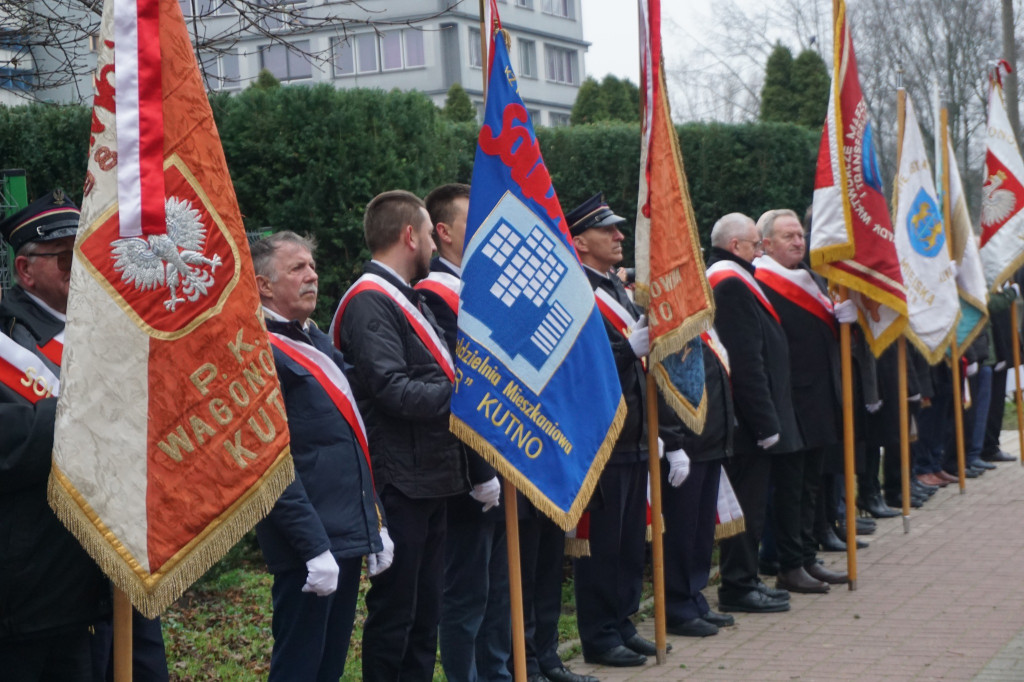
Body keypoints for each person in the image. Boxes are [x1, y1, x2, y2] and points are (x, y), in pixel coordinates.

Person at [331, 189, 469, 682]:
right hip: (399, 479)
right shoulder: (372, 301)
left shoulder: (405, 296)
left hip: (430, 474)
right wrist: (459, 394)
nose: (435, 244)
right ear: (411, 236)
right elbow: (392, 389)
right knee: (396, 615)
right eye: (431, 234)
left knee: (424, 613)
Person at [252, 231, 392, 681]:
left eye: (312, 266)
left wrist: (376, 523)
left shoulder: (315, 340)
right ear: (263, 285)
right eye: (297, 268)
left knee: (328, 668)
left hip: (344, 534)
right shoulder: (256, 351)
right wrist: (312, 547)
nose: (312, 276)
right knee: (299, 668)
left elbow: (350, 439)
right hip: (307, 544)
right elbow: (268, 462)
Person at [566, 193, 685, 667]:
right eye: (607, 230)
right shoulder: (575, 292)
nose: (619, 236)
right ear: (579, 241)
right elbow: (575, 367)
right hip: (601, 441)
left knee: (630, 540)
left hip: (635, 435)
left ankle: (622, 622)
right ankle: (598, 635)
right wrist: (623, 350)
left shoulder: (616, 288)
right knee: (602, 546)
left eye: (618, 229)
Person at [0, 191, 112, 681]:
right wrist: (88, 415)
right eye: (67, 258)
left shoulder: (109, 329)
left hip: (107, 579)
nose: (82, 267)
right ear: (26, 272)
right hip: (28, 595)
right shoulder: (9, 337)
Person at [418, 183, 511, 682]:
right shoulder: (433, 294)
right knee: (467, 592)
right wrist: (480, 469)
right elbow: (461, 387)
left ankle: (496, 673)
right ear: (444, 232)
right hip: (467, 468)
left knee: (498, 587)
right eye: (471, 221)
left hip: (504, 455)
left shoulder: (476, 287)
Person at [705, 212, 801, 614]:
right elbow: (745, 361)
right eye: (756, 244)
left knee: (752, 505)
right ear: (735, 246)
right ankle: (738, 585)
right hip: (747, 425)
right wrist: (765, 423)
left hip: (751, 421)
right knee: (745, 505)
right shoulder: (729, 284)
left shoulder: (739, 280)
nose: (761, 251)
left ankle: (745, 581)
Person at [753, 209, 851, 592]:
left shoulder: (810, 277)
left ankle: (808, 557)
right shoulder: (761, 279)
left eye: (800, 235)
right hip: (787, 398)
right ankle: (787, 562)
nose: (798, 241)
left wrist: (842, 318)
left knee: (812, 484)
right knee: (790, 487)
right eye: (788, 236)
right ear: (766, 244)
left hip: (818, 397)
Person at [661, 328, 737, 637]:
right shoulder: (670, 317)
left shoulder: (701, 322)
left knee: (701, 530)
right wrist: (673, 440)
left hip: (711, 440)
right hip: (687, 443)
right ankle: (677, 605)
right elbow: (666, 385)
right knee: (682, 530)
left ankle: (693, 596)